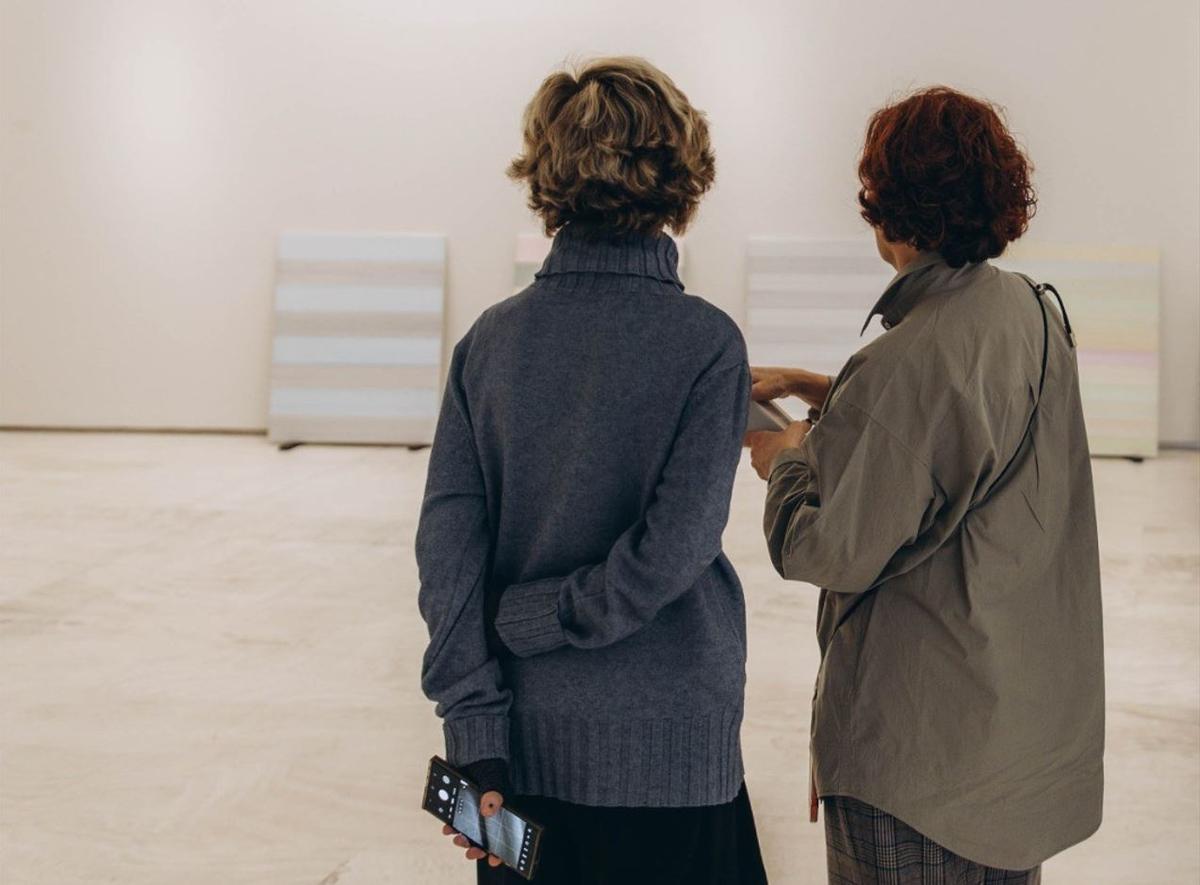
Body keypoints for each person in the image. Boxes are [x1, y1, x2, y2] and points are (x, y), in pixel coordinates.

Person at [417, 57, 768, 885]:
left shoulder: (490, 344)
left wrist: (476, 737)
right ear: (682, 176)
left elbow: (448, 559)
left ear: (547, 174)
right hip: (676, 747)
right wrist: (553, 613)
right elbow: (674, 552)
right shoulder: (707, 344)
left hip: (525, 755)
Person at [745, 86, 1104, 883]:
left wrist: (785, 458)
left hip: (917, 765)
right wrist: (824, 387)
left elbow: (826, 548)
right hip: (1008, 750)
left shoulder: (904, 362)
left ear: (888, 203)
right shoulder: (1029, 312)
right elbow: (957, 423)